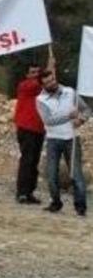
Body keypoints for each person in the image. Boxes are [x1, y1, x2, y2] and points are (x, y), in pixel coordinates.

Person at [36, 67, 90, 216]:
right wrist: (69, 116)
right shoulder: (40, 100)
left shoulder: (70, 92)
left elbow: (86, 110)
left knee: (76, 174)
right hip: (53, 140)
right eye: (47, 82)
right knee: (52, 175)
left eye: (52, 79)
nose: (52, 83)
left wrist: (81, 119)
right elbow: (48, 120)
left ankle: (81, 207)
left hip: (71, 139)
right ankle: (56, 203)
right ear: (43, 85)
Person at [14, 58, 50, 204]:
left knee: (34, 161)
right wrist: (49, 67)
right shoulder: (25, 85)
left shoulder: (40, 87)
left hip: (39, 129)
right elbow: (40, 83)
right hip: (26, 128)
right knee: (27, 160)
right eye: (32, 72)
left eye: (37, 72)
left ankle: (29, 192)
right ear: (27, 75)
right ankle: (22, 192)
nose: (35, 74)